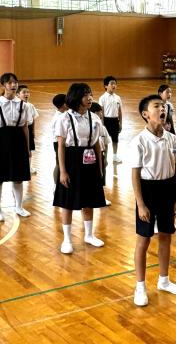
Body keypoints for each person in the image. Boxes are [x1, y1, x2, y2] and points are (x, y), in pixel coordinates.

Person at [131, 95, 176, 306]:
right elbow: (135, 175)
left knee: (165, 236)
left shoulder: (172, 139)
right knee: (143, 240)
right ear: (146, 114)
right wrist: (141, 204)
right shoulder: (139, 141)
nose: (162, 109)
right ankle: (140, 286)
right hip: (147, 191)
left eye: (163, 106)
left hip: (167, 189)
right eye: (157, 106)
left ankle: (164, 280)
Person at [54, 83, 107, 254]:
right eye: (85, 95)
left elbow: (97, 144)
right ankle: (67, 239)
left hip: (90, 159)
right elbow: (61, 146)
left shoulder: (95, 118)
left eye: (90, 94)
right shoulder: (64, 118)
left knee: (89, 199)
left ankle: (89, 235)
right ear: (76, 97)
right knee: (68, 202)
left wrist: (100, 168)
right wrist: (63, 171)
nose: (90, 98)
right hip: (71, 159)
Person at [0, 73, 31, 221]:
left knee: (18, 178)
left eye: (15, 82)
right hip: (1, 141)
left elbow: (25, 127)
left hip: (18, 141)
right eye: (10, 83)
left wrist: (27, 148)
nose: (13, 85)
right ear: (3, 85)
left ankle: (19, 206)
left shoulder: (24, 105)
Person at [99, 76, 123, 162]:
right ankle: (105, 157)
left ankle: (115, 156)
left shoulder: (118, 98)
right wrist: (102, 125)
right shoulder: (102, 98)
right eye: (111, 83)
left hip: (115, 121)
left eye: (115, 84)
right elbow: (101, 113)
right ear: (106, 86)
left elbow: (120, 111)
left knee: (115, 140)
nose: (114, 85)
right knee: (105, 141)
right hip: (106, 121)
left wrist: (120, 123)